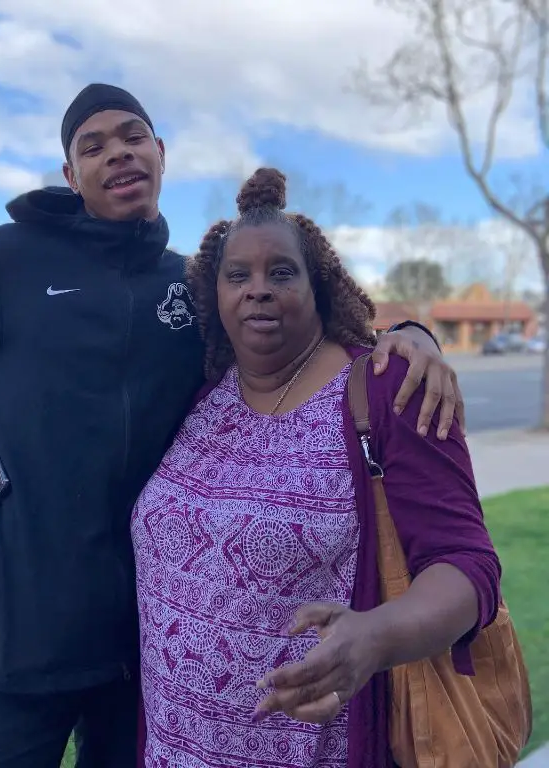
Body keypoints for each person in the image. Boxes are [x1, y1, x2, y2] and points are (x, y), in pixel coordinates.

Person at [0, 82, 463, 768]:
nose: (117, 154)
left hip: (142, 657)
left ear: (160, 154)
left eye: (132, 137)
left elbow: (294, 328)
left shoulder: (192, 286)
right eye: (92, 147)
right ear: (71, 176)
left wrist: (414, 335)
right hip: (14, 631)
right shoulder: (9, 260)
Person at [127, 168, 497, 767]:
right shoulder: (203, 398)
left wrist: (377, 637)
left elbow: (469, 567)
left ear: (317, 283)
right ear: (214, 295)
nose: (258, 289)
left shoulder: (387, 389)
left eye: (281, 272)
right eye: (237, 275)